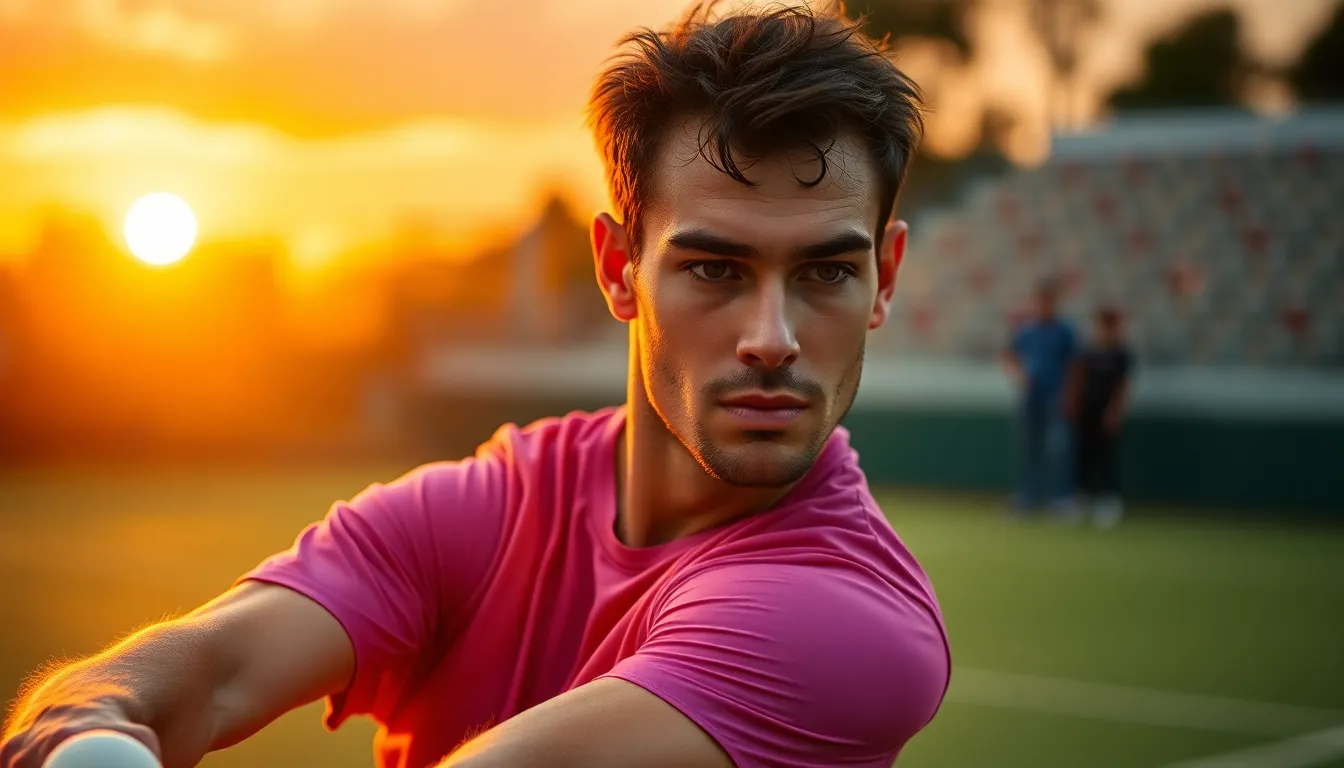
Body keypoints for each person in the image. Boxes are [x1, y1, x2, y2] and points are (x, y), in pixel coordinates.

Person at [1, 6, 949, 768]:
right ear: (619, 269)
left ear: (886, 280)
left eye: (826, 272)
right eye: (714, 270)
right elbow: (173, 683)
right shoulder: (499, 502)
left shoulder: (851, 625)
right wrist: (92, 732)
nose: (772, 339)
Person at [1001, 279, 1078, 515]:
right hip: (1031, 397)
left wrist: (1069, 395)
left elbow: (1075, 366)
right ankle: (1029, 496)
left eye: (1047, 301)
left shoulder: (1064, 330)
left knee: (1059, 448)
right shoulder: (1028, 330)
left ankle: (1061, 498)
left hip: (1055, 396)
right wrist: (1019, 375)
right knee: (1030, 448)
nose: (1043, 306)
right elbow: (1008, 354)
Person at [1064, 306, 1134, 529]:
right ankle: (1080, 499)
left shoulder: (1121, 354)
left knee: (1106, 458)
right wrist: (1073, 403)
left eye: (1107, 325)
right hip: (1087, 411)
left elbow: (1122, 387)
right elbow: (1078, 379)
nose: (1102, 330)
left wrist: (1114, 412)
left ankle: (1110, 502)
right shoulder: (1089, 352)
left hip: (1105, 412)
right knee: (1083, 456)